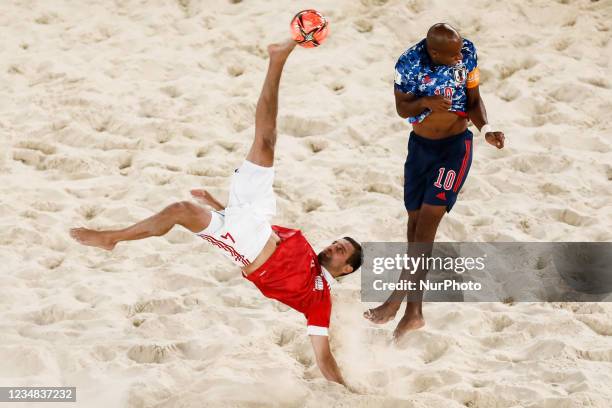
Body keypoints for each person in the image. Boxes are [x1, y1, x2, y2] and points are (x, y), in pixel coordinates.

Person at [70, 39, 362, 385]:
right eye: (335, 242)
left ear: (345, 268)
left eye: (340, 250)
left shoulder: (320, 300)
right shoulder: (307, 253)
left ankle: (111, 238)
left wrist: (348, 393)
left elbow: (323, 354)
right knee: (266, 140)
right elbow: (251, 224)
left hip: (246, 247)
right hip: (250, 216)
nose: (331, 246)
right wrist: (219, 205)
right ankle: (277, 57)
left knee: (179, 209)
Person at [364, 23, 505, 340]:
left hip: (454, 150)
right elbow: (402, 108)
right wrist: (425, 103)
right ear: (434, 52)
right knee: (414, 229)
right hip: (420, 149)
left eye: (460, 53)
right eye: (451, 55)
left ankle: (396, 300)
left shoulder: (466, 53)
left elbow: (473, 100)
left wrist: (486, 129)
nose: (459, 58)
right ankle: (414, 313)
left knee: (426, 227)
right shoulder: (409, 63)